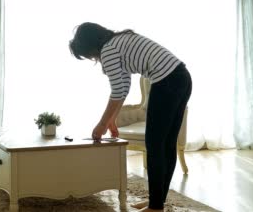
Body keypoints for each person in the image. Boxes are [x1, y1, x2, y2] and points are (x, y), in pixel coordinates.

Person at [69, 22, 192, 212]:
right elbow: (124, 87)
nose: (92, 58)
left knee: (155, 146)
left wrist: (101, 125)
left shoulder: (108, 50)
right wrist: (111, 120)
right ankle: (157, 201)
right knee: (166, 145)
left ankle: (156, 207)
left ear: (91, 45)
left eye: (88, 54)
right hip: (182, 77)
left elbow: (118, 90)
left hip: (166, 82)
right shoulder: (119, 41)